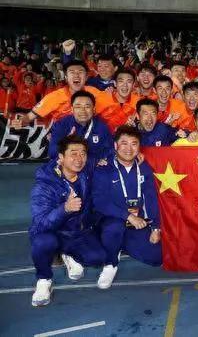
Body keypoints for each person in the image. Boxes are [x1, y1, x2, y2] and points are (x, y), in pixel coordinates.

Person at [30, 135, 107, 307]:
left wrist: (137, 154)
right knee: (43, 243)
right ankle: (44, 280)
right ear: (61, 157)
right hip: (52, 232)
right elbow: (40, 223)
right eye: (73, 153)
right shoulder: (44, 185)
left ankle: (66, 254)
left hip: (76, 232)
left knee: (98, 258)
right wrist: (64, 209)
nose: (79, 158)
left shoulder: (85, 171)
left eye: (83, 153)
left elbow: (108, 154)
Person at [92, 126, 162, 289]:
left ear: (139, 147)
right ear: (115, 146)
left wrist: (156, 227)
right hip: (112, 220)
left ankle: (119, 244)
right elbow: (100, 201)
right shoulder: (104, 168)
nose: (129, 149)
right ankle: (110, 263)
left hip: (137, 222)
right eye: (124, 143)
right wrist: (128, 216)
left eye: (134, 144)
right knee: (114, 229)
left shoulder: (144, 168)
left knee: (156, 258)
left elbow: (151, 198)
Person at [17, 60, 100, 126]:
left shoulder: (96, 94)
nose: (76, 75)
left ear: (86, 77)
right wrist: (20, 122)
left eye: (80, 72)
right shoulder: (54, 97)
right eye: (72, 72)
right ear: (66, 77)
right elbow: (29, 116)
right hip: (62, 139)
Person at [48, 90, 113, 162]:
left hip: (92, 167)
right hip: (68, 165)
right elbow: (52, 153)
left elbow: (109, 151)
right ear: (72, 109)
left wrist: (94, 161)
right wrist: (66, 143)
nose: (83, 110)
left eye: (87, 106)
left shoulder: (102, 127)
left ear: (93, 109)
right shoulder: (62, 125)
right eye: (78, 107)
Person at [94, 68, 140, 133]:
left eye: (129, 81)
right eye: (121, 81)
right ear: (115, 83)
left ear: (133, 85)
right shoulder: (101, 99)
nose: (125, 85)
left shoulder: (138, 102)